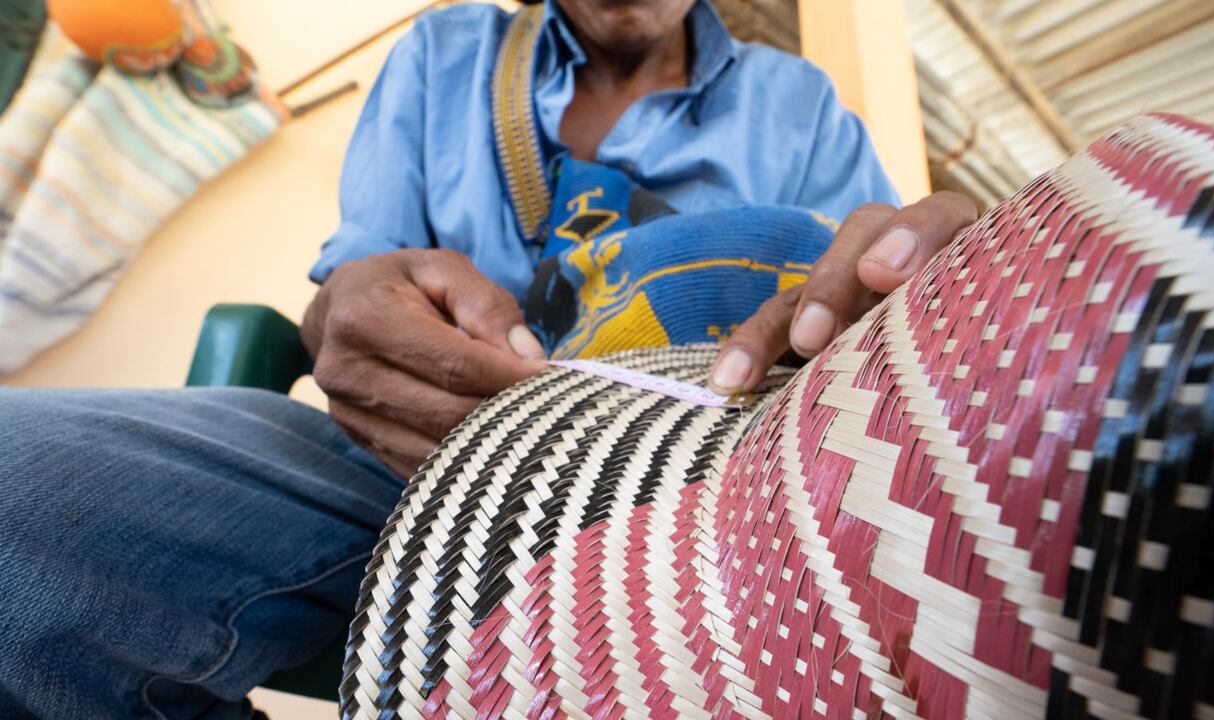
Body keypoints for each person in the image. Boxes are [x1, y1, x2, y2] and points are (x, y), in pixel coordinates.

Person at [0, 0, 975, 716]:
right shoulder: (443, 52)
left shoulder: (797, 103)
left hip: (703, 521)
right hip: (405, 475)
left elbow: (860, 302)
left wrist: (944, 285)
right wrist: (352, 308)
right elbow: (351, 282)